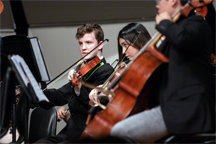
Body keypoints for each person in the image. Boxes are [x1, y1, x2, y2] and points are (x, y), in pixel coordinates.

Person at [109, 0, 216, 143]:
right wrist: (125, 85)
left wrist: (165, 23)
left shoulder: (197, 24)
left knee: (119, 132)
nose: (157, 5)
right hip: (171, 108)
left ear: (173, 1)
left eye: (159, 1)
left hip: (185, 110)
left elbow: (182, 39)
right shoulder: (173, 34)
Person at [33, 22, 114, 144]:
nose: (83, 47)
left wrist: (79, 88)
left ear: (100, 45)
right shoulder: (81, 68)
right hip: (70, 132)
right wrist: (33, 94)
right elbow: (60, 95)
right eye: (80, 43)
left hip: (87, 135)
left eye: (88, 42)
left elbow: (93, 108)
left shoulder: (106, 71)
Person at [88, 22, 151, 104]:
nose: (123, 51)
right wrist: (104, 90)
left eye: (125, 45)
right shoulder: (126, 67)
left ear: (139, 42)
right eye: (121, 46)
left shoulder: (150, 66)